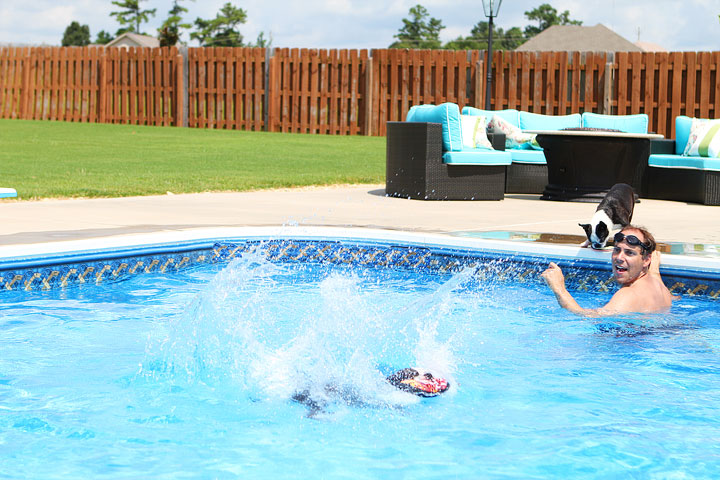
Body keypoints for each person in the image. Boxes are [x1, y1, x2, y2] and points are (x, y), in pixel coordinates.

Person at [541, 225, 675, 316]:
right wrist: (654, 268)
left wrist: (559, 289)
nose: (619, 258)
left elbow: (586, 318)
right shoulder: (658, 285)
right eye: (617, 250)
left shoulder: (627, 295)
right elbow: (654, 273)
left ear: (646, 260)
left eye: (629, 253)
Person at [292, 367, 450, 417]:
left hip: (352, 389)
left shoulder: (316, 395)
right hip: (350, 388)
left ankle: (418, 377)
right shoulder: (316, 390)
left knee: (381, 389)